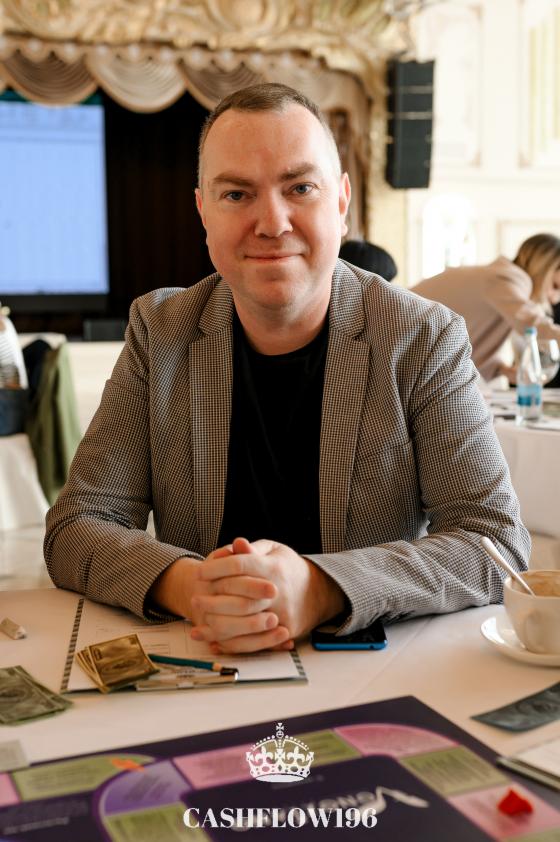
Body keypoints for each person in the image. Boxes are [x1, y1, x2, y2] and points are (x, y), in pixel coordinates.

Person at [44, 83, 529, 655]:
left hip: (368, 671)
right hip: (204, 656)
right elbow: (76, 527)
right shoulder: (161, 330)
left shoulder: (421, 337)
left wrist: (323, 589)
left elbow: (494, 544)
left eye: (300, 188)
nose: (272, 223)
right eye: (236, 194)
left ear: (341, 202)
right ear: (203, 211)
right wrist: (192, 586)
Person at [412, 235, 560, 382]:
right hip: (409, 344)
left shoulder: (499, 278)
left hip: (414, 347)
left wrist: (502, 369)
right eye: (555, 286)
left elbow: (469, 345)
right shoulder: (507, 278)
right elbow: (532, 324)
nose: (555, 299)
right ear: (541, 269)